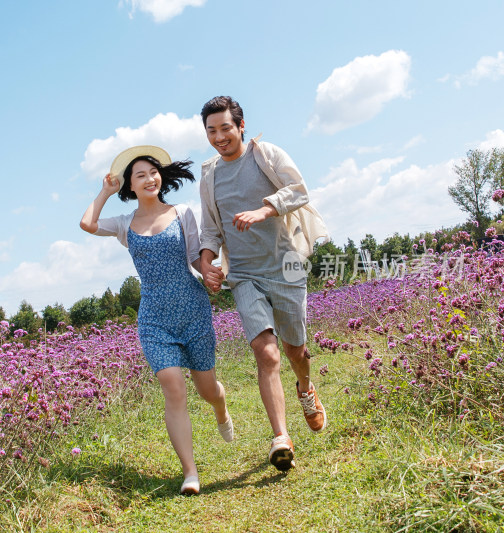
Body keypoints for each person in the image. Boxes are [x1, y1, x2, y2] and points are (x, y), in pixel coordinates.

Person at [80, 145, 232, 495]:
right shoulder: (124, 224)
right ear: (129, 186)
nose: (149, 178)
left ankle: (221, 408)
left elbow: (196, 257)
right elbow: (87, 224)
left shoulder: (181, 212)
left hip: (192, 310)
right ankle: (190, 472)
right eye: (140, 175)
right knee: (173, 388)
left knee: (207, 390)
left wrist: (210, 272)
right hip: (154, 319)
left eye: (153, 172)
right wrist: (104, 191)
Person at [197, 96, 329, 472]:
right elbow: (209, 228)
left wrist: (265, 209)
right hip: (243, 274)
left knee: (295, 349)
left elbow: (299, 190)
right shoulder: (210, 176)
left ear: (240, 125)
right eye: (211, 131)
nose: (219, 137)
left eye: (225, 128)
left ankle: (305, 388)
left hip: (285, 265)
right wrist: (208, 264)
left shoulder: (264, 154)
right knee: (266, 351)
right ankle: (281, 437)